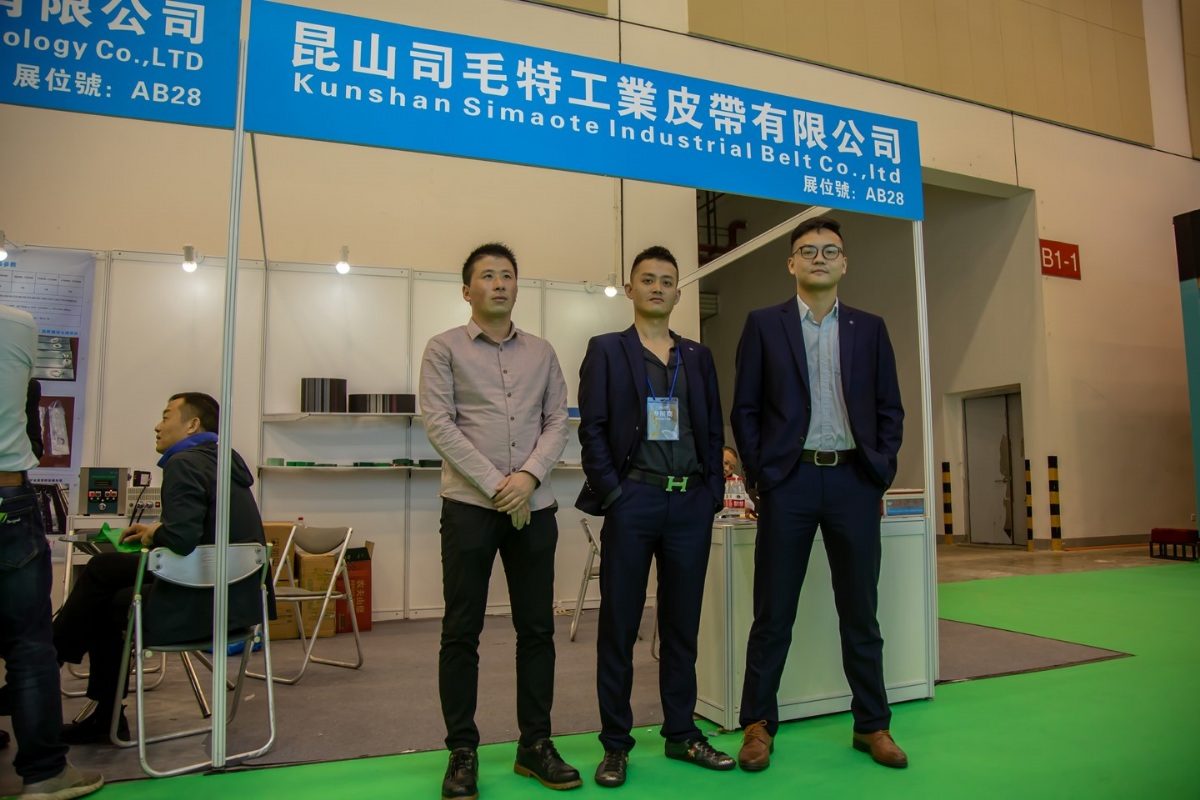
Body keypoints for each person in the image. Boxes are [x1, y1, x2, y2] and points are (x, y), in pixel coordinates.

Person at [731, 217, 906, 770]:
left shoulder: (869, 328)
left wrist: (878, 471)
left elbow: (889, 408)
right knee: (773, 612)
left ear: (844, 263)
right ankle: (758, 725)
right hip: (791, 482)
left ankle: (872, 725)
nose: (819, 258)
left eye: (830, 251)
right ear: (791, 263)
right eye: (808, 251)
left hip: (854, 481)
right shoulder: (765, 325)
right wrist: (762, 477)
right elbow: (746, 408)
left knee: (861, 612)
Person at [419, 243, 579, 799]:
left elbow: (558, 421)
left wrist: (528, 478)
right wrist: (497, 485)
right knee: (461, 630)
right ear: (468, 291)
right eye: (487, 276)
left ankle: (535, 744)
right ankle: (462, 750)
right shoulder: (443, 349)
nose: (499, 283)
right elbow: (439, 424)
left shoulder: (543, 352)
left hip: (534, 506)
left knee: (537, 629)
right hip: (469, 507)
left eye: (507, 275)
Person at [576, 246, 732, 787]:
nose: (658, 288)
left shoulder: (697, 356)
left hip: (690, 502)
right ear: (631, 289)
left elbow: (712, 428)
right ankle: (615, 745)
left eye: (667, 281)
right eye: (648, 279)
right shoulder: (607, 350)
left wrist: (712, 493)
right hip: (634, 500)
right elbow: (592, 430)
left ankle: (682, 733)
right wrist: (614, 494)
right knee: (619, 625)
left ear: (678, 293)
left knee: (681, 626)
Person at [53, 392, 268, 745]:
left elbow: (181, 540)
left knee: (104, 587)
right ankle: (76, 688)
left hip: (198, 609)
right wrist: (156, 531)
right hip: (237, 606)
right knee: (107, 577)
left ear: (192, 425)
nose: (157, 425)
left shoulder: (185, 462)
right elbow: (199, 537)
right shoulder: (221, 461)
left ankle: (49, 669)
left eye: (166, 416)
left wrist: (156, 534)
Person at [0, 303, 103, 798]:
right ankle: (44, 774)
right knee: (28, 644)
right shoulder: (16, 323)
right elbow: (31, 436)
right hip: (7, 496)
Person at [721, 445, 756, 515]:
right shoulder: (702, 477)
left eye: (731, 467)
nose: (727, 469)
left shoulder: (735, 480)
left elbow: (750, 505)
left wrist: (735, 504)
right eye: (725, 463)